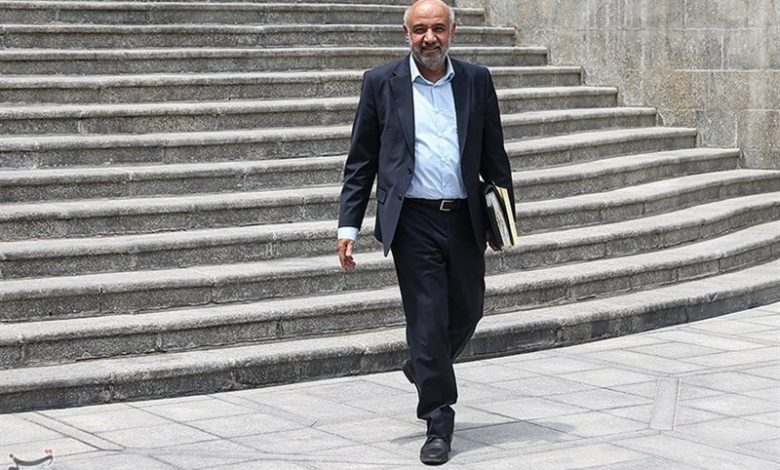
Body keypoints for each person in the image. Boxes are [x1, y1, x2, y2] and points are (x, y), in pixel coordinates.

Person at [336, 0, 514, 464]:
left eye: (437, 28)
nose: (429, 38)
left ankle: (421, 363)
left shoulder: (476, 80)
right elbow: (361, 160)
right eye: (419, 30)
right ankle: (438, 419)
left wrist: (504, 221)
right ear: (407, 34)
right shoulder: (381, 83)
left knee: (469, 309)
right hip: (412, 221)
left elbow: (495, 156)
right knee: (428, 319)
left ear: (452, 32)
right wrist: (348, 224)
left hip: (464, 218)